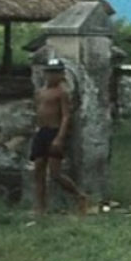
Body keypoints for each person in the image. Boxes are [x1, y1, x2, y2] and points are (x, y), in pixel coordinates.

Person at [30, 58, 87, 215]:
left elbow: (66, 116)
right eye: (50, 73)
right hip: (41, 132)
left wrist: (60, 137)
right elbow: (37, 112)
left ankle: (79, 196)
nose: (52, 76)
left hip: (54, 132)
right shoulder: (40, 92)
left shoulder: (62, 93)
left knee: (55, 173)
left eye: (56, 73)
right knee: (38, 170)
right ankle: (40, 207)